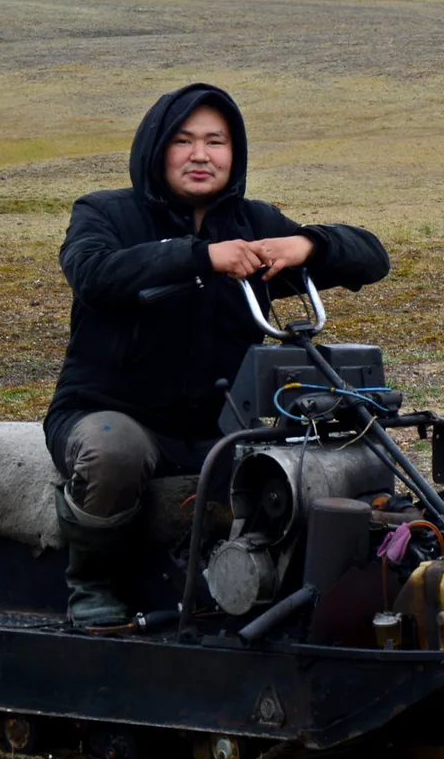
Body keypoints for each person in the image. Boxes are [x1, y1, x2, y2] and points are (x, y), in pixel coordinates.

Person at [44, 83, 390, 629]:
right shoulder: (104, 213)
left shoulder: (253, 223)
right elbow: (93, 274)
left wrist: (310, 246)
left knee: (305, 469)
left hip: (218, 426)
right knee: (115, 452)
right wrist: (201, 258)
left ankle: (264, 594)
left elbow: (372, 258)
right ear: (156, 149)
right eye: (183, 141)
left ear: (235, 153)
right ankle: (92, 585)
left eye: (216, 141)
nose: (201, 155)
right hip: (108, 413)